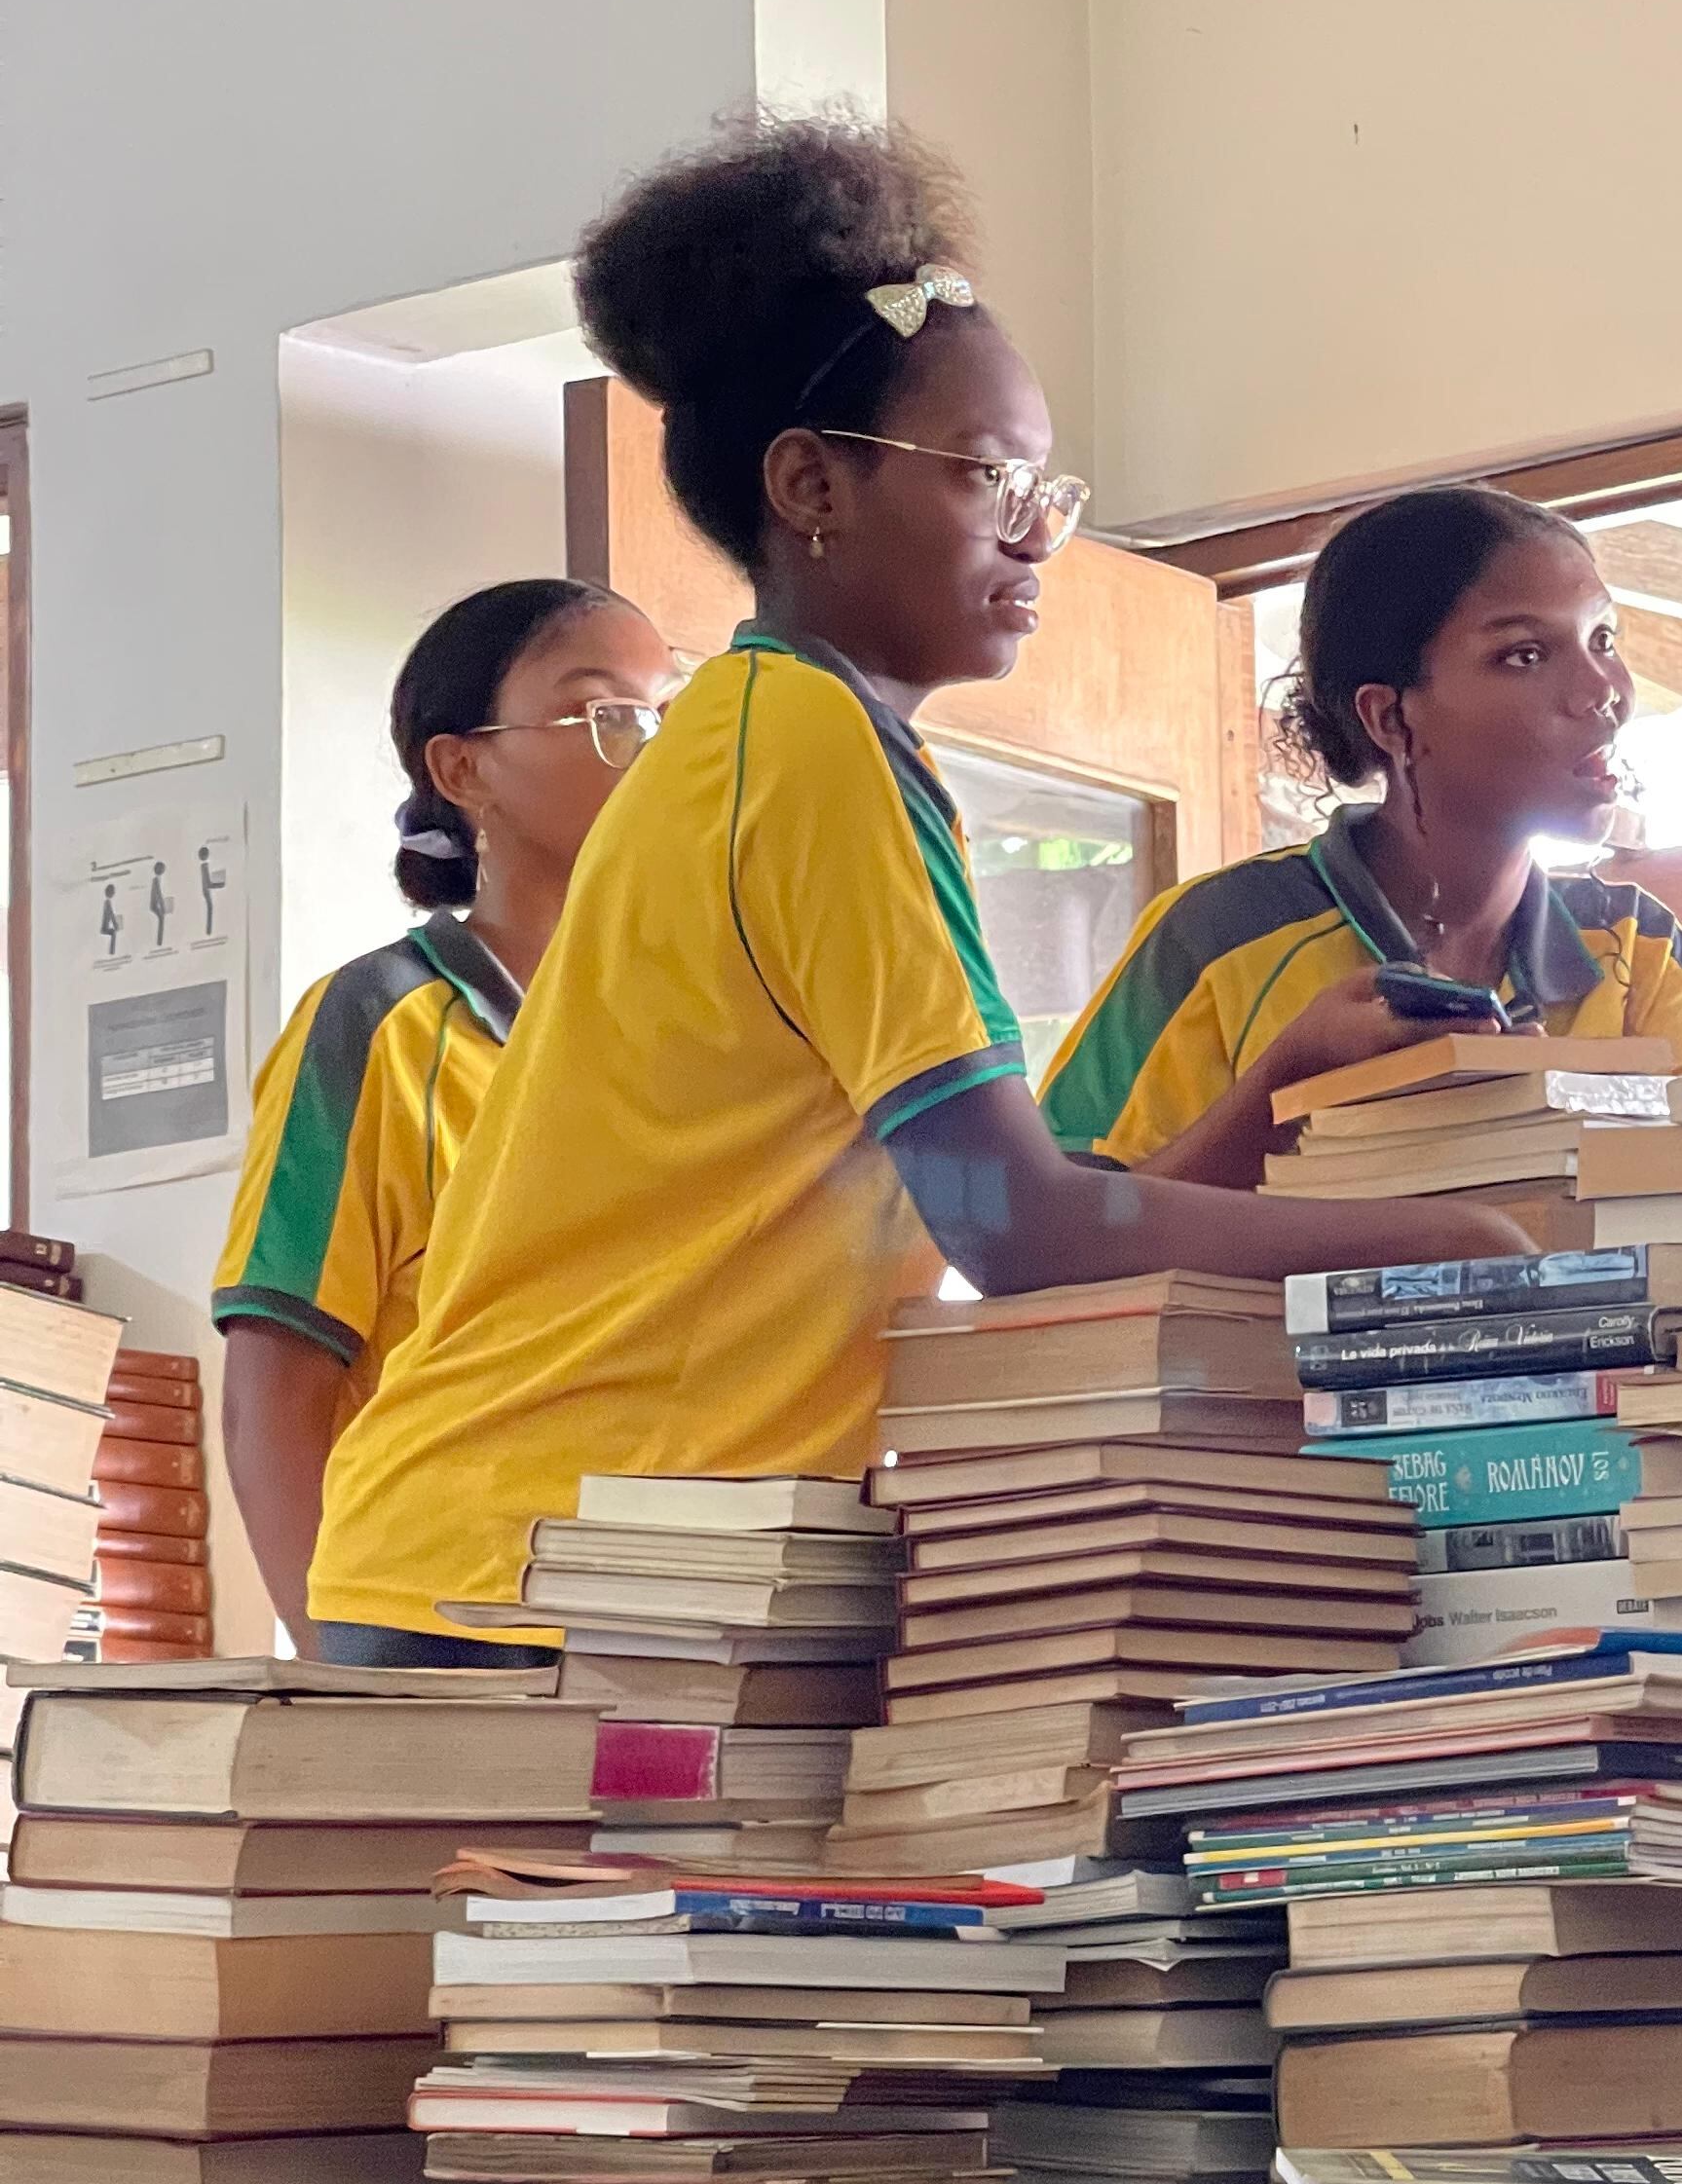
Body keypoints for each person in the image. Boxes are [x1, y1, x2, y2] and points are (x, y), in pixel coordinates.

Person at [300, 117, 1533, 1669]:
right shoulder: (809, 753)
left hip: (563, 1554)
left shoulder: (765, 734)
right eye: (988, 477)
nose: (1035, 532)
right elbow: (1015, 1224)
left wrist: (1272, 1090)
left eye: (1047, 487)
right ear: (812, 483)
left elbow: (972, 1208)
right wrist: (1465, 1251)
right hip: (542, 1573)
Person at [1038, 483, 1682, 1179]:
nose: (1605, 690)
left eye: (1603, 638)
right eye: (1525, 654)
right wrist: (1283, 1084)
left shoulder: (1630, 947)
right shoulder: (1218, 938)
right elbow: (1050, 1247)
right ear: (1391, 718)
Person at [211, 577, 676, 1646]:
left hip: (674, 1611)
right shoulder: (379, 1022)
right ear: (463, 768)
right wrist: (341, 1675)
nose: (651, 747)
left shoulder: (706, 1029)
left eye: (668, 712)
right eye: (607, 713)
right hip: (444, 1616)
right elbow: (274, 1388)